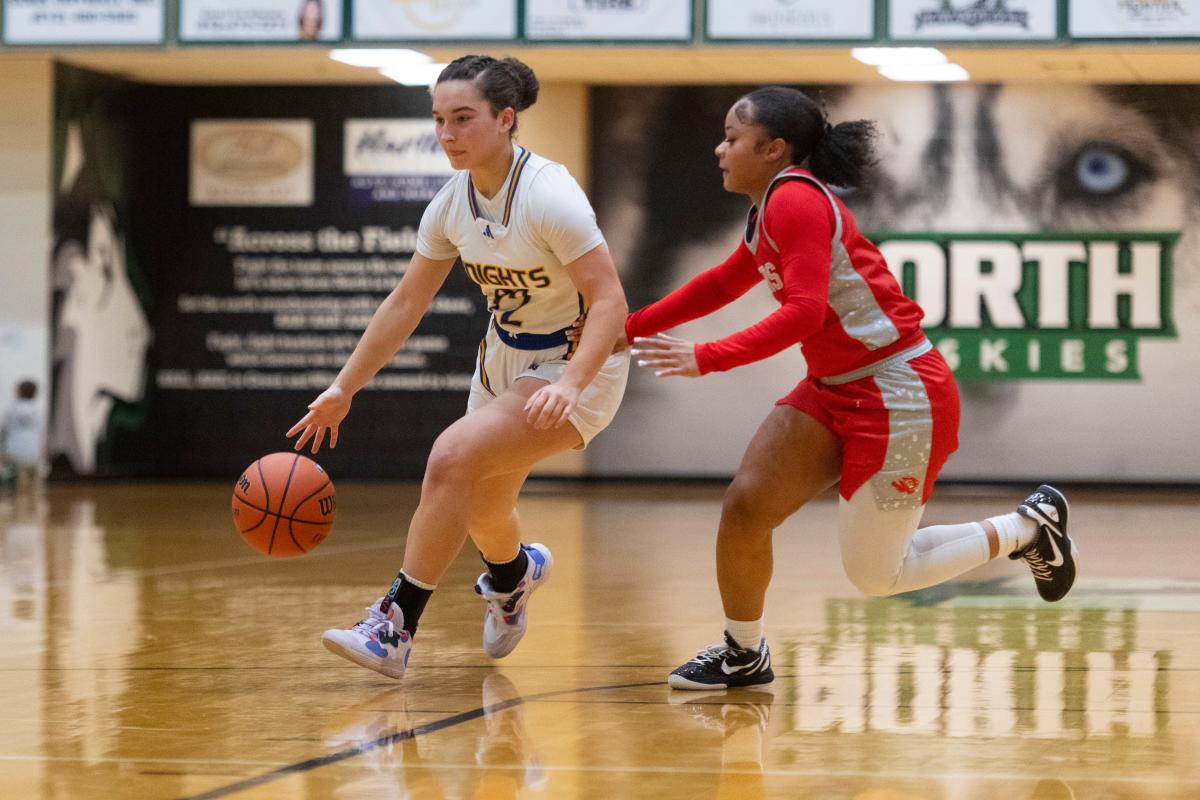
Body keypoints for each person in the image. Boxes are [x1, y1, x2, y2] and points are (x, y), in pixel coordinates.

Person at [619, 86, 1078, 690]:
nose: (720, 149)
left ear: (774, 148)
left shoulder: (797, 203)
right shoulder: (771, 205)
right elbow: (724, 282)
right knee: (747, 507)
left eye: (733, 139)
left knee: (877, 575)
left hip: (898, 393)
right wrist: (626, 330)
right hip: (835, 386)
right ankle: (743, 653)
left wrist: (706, 357)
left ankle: (1027, 528)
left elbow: (804, 313)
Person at [288, 55, 630, 679]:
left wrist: (574, 381)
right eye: (439, 120)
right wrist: (345, 387)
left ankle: (394, 625)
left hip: (576, 361)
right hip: (503, 356)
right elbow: (406, 301)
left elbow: (610, 299)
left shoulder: (550, 196)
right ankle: (512, 575)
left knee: (450, 457)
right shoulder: (451, 205)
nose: (447, 134)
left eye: (463, 118)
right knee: (480, 509)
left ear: (505, 119)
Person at [1, 380, 44, 494]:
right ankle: (33, 502)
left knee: (12, 485)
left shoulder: (11, 409)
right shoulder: (38, 410)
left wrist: (2, 452)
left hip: (13, 451)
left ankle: (13, 500)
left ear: (19, 391)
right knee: (33, 484)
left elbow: (4, 431)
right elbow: (41, 432)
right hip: (33, 452)